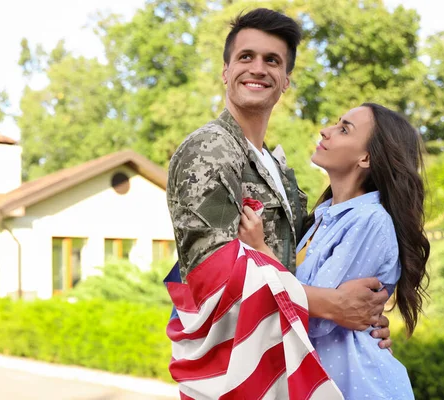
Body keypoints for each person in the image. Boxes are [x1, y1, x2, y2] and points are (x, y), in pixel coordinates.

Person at [165, 7, 391, 399]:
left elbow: (308, 263)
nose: (258, 68)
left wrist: (365, 320)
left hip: (279, 371)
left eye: (272, 60)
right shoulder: (211, 149)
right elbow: (211, 277)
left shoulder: (280, 173)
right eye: (245, 57)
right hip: (231, 375)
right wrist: (332, 305)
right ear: (225, 71)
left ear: (285, 80)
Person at [239, 103, 430, 399]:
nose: (325, 131)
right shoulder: (322, 217)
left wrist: (260, 249)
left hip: (355, 387)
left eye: (344, 129)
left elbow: (314, 320)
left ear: (366, 157)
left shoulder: (370, 220)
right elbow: (319, 301)